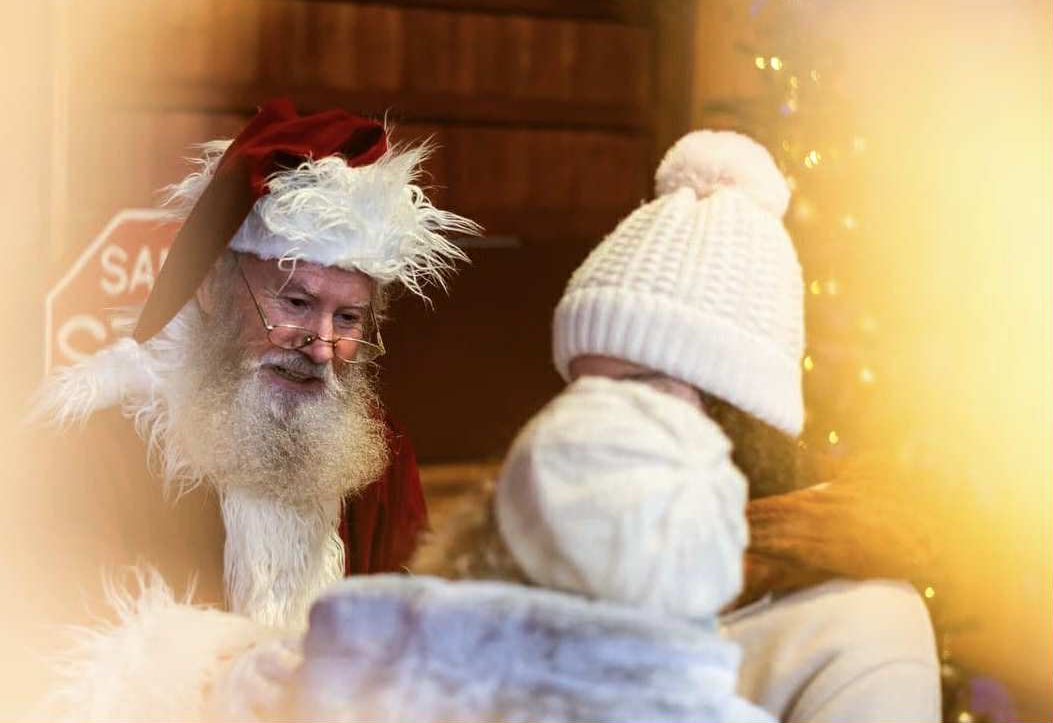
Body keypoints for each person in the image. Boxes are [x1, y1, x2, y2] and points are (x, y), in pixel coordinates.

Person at [414, 129, 941, 722]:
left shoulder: (863, 629)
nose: (596, 421)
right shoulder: (556, 564)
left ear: (737, 416)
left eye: (640, 392)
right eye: (581, 390)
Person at [32, 98, 479, 630]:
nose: (321, 346)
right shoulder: (97, 446)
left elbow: (410, 636)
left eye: (350, 318)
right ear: (211, 292)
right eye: (295, 304)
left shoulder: (379, 457)